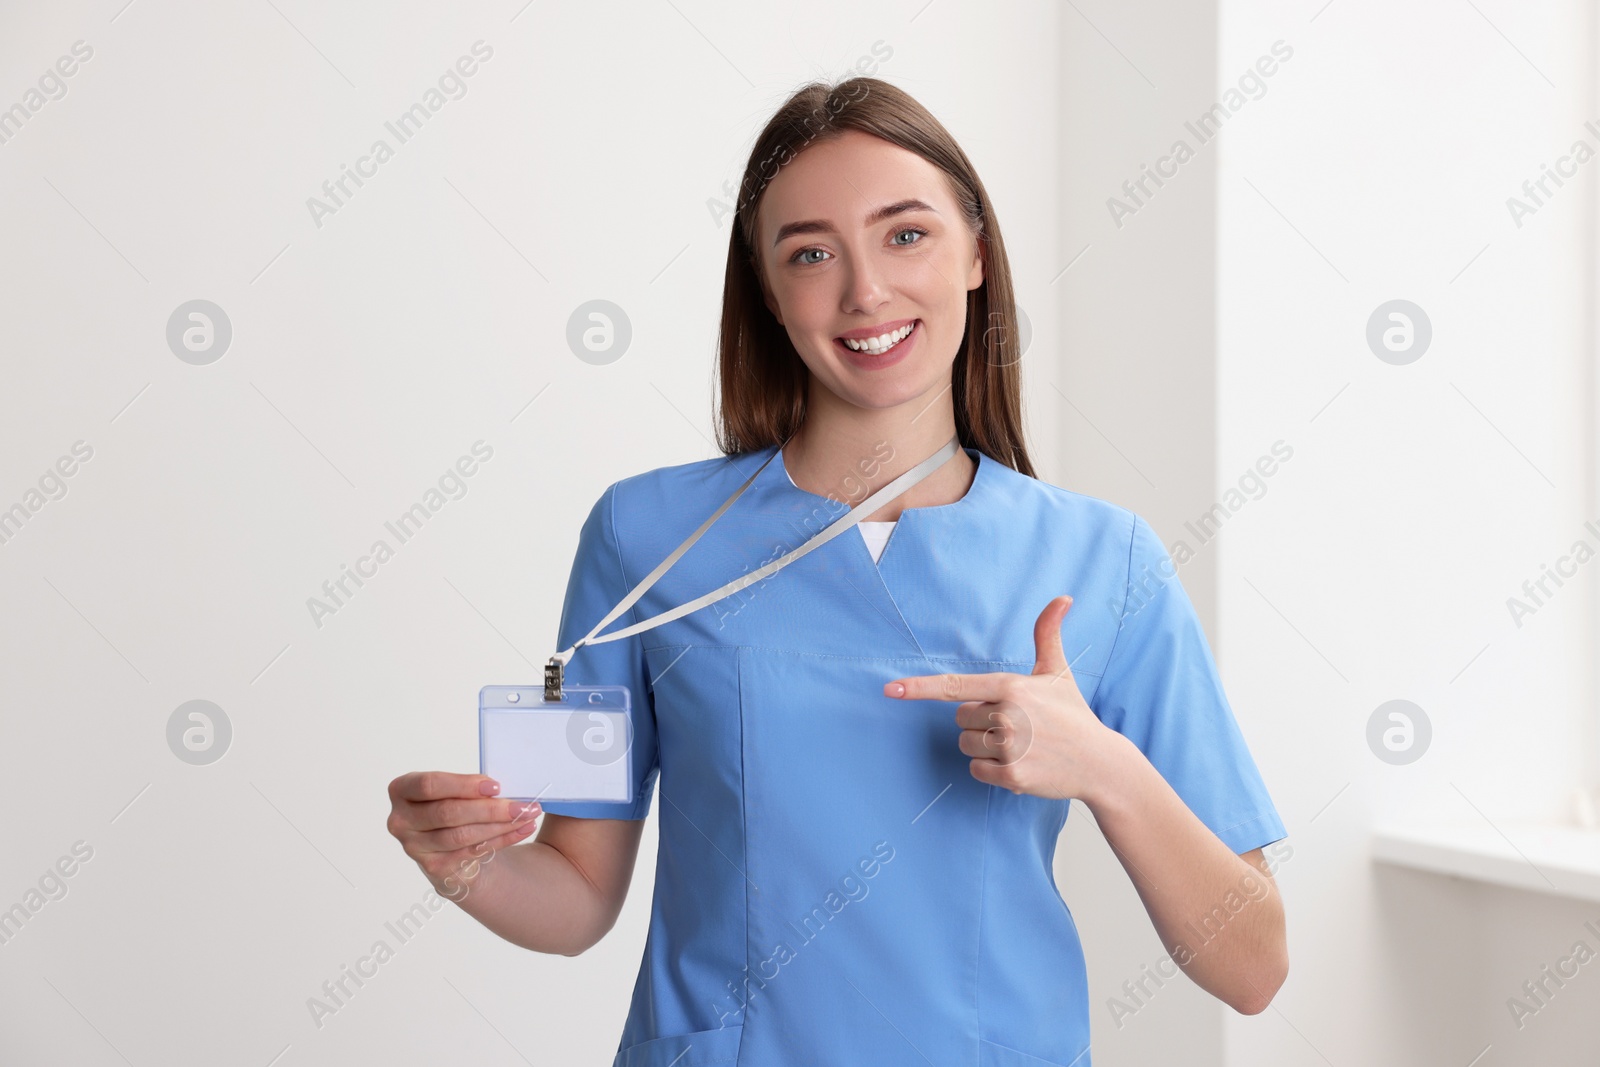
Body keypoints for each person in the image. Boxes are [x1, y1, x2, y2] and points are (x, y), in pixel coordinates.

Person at [387, 76, 1289, 1067]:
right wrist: (465, 864)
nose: (865, 291)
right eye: (810, 253)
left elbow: (1251, 965)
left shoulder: (1103, 559)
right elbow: (574, 895)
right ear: (769, 295)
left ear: (978, 251)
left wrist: (1104, 767)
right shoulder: (643, 538)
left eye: (906, 234)